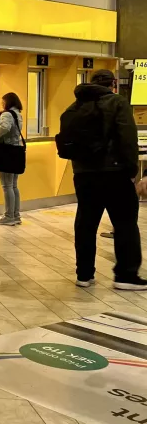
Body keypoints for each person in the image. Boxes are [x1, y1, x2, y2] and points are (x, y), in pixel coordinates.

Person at [58, 69, 147, 290]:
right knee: (125, 223)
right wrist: (132, 171)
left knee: (86, 223)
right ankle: (126, 276)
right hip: (114, 173)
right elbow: (127, 138)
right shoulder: (117, 102)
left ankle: (84, 274)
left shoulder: (73, 107)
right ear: (112, 84)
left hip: (84, 175)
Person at [0, 92, 24, 226]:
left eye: (3, 102)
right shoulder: (17, 114)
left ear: (8, 102)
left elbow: (4, 127)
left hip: (5, 151)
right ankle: (16, 215)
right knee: (13, 185)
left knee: (7, 185)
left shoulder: (7, 114)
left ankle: (9, 216)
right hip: (15, 151)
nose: (2, 104)